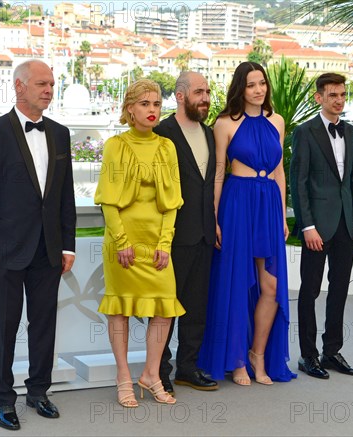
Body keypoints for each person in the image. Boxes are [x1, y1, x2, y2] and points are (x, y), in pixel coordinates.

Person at [0, 59, 76, 431]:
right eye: (42, 84)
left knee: (44, 323)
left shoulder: (61, 134)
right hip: (6, 250)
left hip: (49, 250)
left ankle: (38, 392)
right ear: (19, 86)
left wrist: (68, 245)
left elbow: (65, 195)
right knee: (4, 327)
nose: (48, 90)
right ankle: (3, 399)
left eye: (52, 84)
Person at [198, 62, 297, 385]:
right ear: (240, 88)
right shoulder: (225, 123)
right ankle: (237, 360)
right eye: (252, 84)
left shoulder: (277, 121)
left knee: (271, 286)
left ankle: (259, 354)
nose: (259, 90)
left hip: (268, 203)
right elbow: (217, 173)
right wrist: (214, 217)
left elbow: (280, 171)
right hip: (237, 203)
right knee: (238, 283)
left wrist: (281, 214)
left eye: (262, 83)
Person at [95, 79, 185, 407]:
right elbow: (108, 201)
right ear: (130, 108)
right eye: (145, 104)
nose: (152, 110)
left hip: (157, 242)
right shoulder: (115, 146)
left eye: (157, 105)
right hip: (123, 241)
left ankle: (150, 375)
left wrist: (165, 243)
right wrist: (120, 241)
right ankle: (123, 377)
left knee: (164, 308)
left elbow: (172, 201)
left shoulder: (166, 147)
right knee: (120, 309)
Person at [290, 72, 353, 380]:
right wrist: (307, 225)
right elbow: (299, 182)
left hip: (346, 224)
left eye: (343, 95)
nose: (339, 100)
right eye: (333, 95)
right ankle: (308, 356)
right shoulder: (305, 132)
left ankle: (332, 351)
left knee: (340, 290)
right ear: (319, 97)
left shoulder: (349, 132)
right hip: (316, 228)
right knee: (309, 291)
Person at [153, 72, 218, 395]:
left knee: (197, 306)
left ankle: (188, 368)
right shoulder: (161, 133)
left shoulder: (209, 133)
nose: (205, 98)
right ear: (180, 96)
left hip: (205, 233)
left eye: (207, 92)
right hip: (171, 236)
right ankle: (160, 371)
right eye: (198, 92)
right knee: (165, 308)